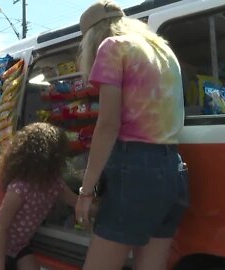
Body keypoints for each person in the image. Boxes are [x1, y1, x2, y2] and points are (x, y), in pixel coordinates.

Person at [74, 1, 187, 270]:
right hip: (175, 170)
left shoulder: (112, 47)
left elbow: (108, 125)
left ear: (92, 35)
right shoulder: (163, 50)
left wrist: (85, 192)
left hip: (136, 172)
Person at [0, 122, 78, 270]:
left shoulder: (54, 182)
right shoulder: (20, 187)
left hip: (19, 246)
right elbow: (1, 229)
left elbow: (76, 202)